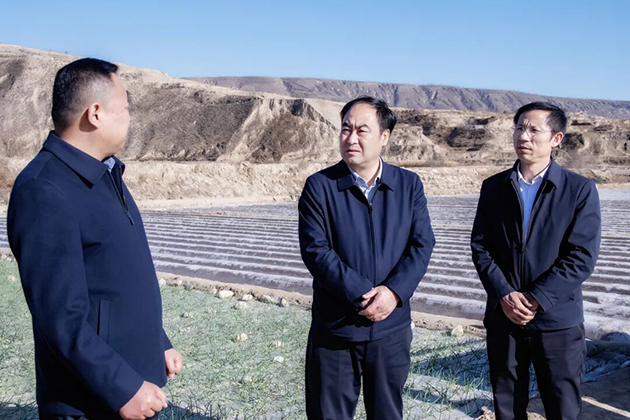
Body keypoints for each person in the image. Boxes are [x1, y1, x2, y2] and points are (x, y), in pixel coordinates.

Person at [7, 58, 183, 420]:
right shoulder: (44, 190)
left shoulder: (105, 174)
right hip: (91, 402)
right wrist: (123, 388)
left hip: (132, 384)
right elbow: (60, 318)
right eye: (125, 108)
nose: (130, 118)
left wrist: (157, 343)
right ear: (96, 114)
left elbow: (117, 279)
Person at [298, 96, 435, 419]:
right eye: (346, 129)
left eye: (362, 130)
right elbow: (316, 251)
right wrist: (365, 295)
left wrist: (393, 293)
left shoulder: (408, 185)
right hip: (337, 330)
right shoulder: (320, 186)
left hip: (390, 330)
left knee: (387, 413)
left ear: (384, 137)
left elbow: (421, 244)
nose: (351, 138)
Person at [471, 102, 601, 420]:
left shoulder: (578, 189)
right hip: (505, 318)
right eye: (519, 128)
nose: (523, 136)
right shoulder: (494, 187)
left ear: (556, 139)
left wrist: (536, 297)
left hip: (556, 321)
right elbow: (481, 247)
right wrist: (504, 294)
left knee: (562, 408)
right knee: (507, 407)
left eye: (533, 130)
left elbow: (581, 255)